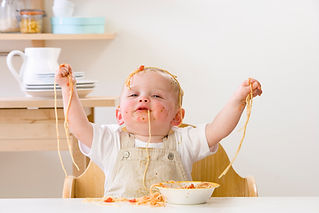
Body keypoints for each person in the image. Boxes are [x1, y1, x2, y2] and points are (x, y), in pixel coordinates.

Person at [55, 65, 262, 198]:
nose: (143, 99)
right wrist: (68, 89)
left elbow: (218, 129)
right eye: (134, 94)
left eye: (156, 96)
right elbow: (78, 127)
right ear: (119, 115)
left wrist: (239, 100)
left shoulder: (184, 141)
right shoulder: (111, 141)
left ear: (177, 118)